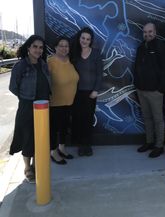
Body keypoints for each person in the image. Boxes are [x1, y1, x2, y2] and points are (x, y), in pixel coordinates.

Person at [9, 35, 51, 183]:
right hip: (27, 107)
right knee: (27, 137)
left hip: (44, 107)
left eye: (40, 47)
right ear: (28, 48)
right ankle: (27, 167)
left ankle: (36, 163)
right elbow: (13, 87)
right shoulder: (20, 66)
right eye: (35, 46)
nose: (38, 50)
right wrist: (26, 98)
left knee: (40, 137)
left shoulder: (43, 64)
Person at [134, 23, 165, 158]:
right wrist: (137, 85)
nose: (147, 34)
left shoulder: (160, 46)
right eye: (145, 32)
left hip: (155, 92)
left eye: (150, 32)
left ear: (155, 32)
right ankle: (149, 142)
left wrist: (161, 89)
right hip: (141, 90)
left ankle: (159, 146)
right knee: (147, 118)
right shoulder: (140, 48)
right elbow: (136, 67)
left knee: (158, 120)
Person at [70, 27, 103, 156]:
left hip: (91, 93)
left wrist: (96, 90)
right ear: (79, 38)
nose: (85, 41)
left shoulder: (96, 53)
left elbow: (100, 74)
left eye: (88, 39)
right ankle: (80, 145)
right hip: (76, 92)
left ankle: (87, 145)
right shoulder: (74, 53)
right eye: (83, 38)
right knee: (78, 119)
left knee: (88, 119)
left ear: (91, 41)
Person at [48, 36, 79, 165]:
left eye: (66, 46)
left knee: (64, 127)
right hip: (55, 103)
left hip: (69, 102)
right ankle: (53, 152)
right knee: (54, 129)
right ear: (55, 47)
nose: (64, 48)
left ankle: (61, 148)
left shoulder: (70, 61)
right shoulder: (50, 62)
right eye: (61, 45)